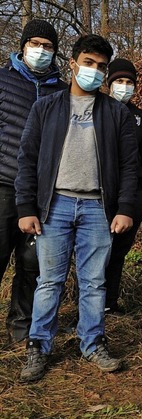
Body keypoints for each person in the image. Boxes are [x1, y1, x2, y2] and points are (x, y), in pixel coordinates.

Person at [15, 34, 138, 381]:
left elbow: (130, 166)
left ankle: (93, 342)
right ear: (72, 63)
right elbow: (27, 160)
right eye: (88, 63)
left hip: (98, 208)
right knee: (49, 281)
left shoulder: (116, 113)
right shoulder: (46, 108)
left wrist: (125, 207)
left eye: (101, 67)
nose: (94, 72)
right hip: (55, 205)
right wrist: (26, 206)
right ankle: (38, 347)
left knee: (94, 282)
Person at [0, 19, 66, 347]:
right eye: (35, 44)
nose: (41, 51)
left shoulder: (62, 91)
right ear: (23, 45)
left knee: (31, 264)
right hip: (3, 185)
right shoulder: (2, 80)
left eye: (48, 46)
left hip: (42, 194)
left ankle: (20, 326)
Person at [104, 58, 142, 316]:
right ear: (109, 83)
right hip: (102, 195)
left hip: (132, 196)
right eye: (119, 81)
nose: (124, 86)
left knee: (119, 252)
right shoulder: (97, 109)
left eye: (129, 82)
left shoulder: (140, 118)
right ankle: (88, 306)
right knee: (97, 251)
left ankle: (110, 303)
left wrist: (141, 195)